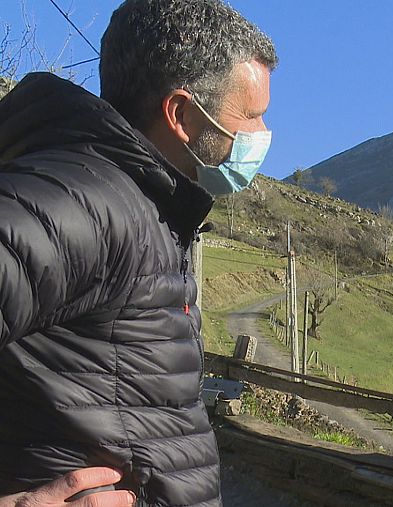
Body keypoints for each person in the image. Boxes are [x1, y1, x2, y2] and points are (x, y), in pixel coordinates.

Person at [0, 0, 276, 505]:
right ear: (181, 114)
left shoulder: (149, 213)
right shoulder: (85, 203)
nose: (259, 136)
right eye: (252, 116)